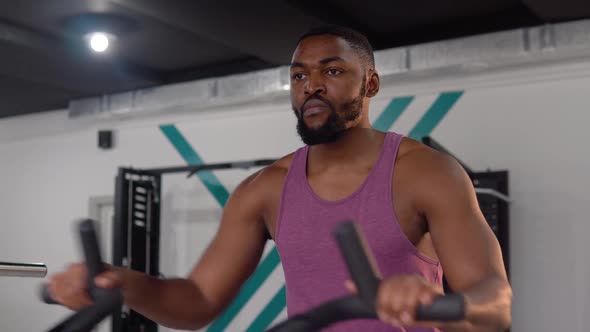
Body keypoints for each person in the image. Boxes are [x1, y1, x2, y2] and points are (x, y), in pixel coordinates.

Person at [47, 25, 512, 332]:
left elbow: (496, 305)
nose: (312, 86)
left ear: (370, 84)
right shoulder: (265, 189)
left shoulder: (426, 172)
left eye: (332, 71)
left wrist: (434, 302)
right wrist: (119, 282)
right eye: (298, 76)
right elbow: (196, 301)